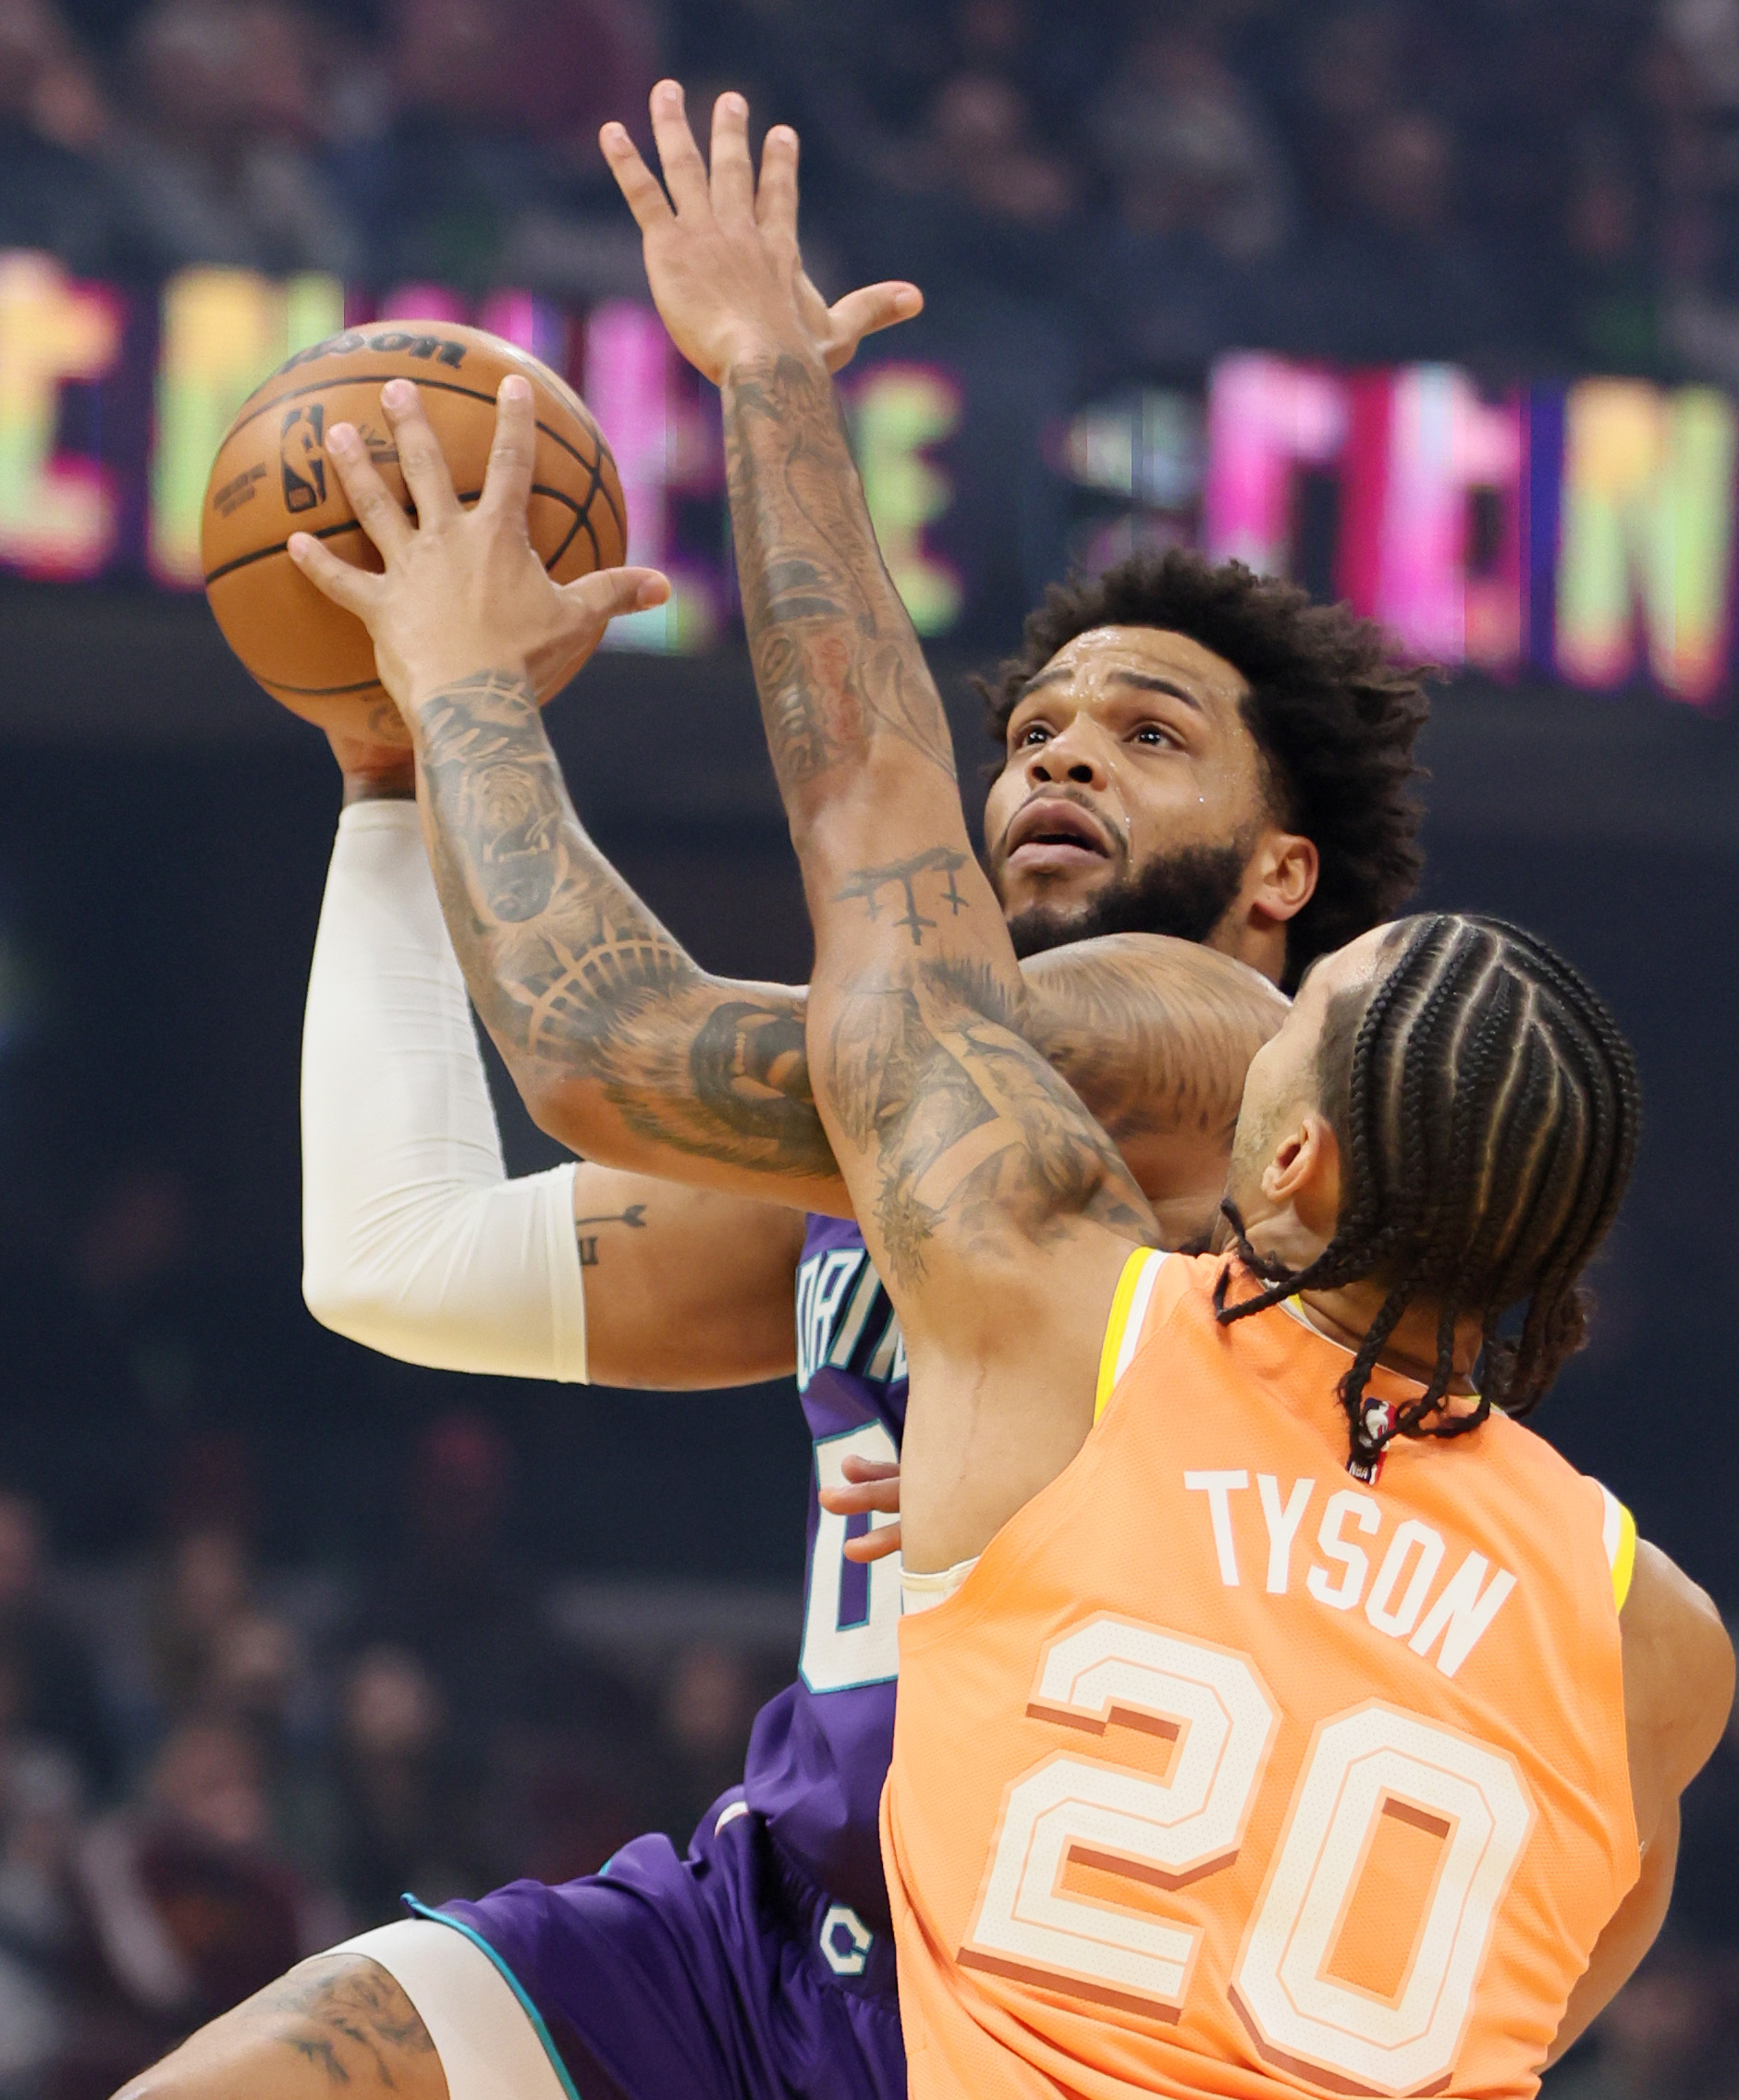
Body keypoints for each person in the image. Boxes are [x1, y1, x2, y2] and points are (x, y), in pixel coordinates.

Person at [120, 83, 1426, 2100]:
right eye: (1036, 729)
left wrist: (501, 655)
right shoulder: (904, 1156)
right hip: (760, 1930)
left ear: (1278, 870)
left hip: (1052, 1991)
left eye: (1145, 732)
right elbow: (397, 1258)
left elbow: (605, 1051)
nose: (1056, 760)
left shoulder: (1212, 1055)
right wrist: (384, 782)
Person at [587, 99, 1727, 2095]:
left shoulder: (1067, 1315)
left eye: (1271, 1022)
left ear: (1282, 1150)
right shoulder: (1652, 1630)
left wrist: (756, 392)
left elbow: (860, 846)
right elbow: (1530, 1996)